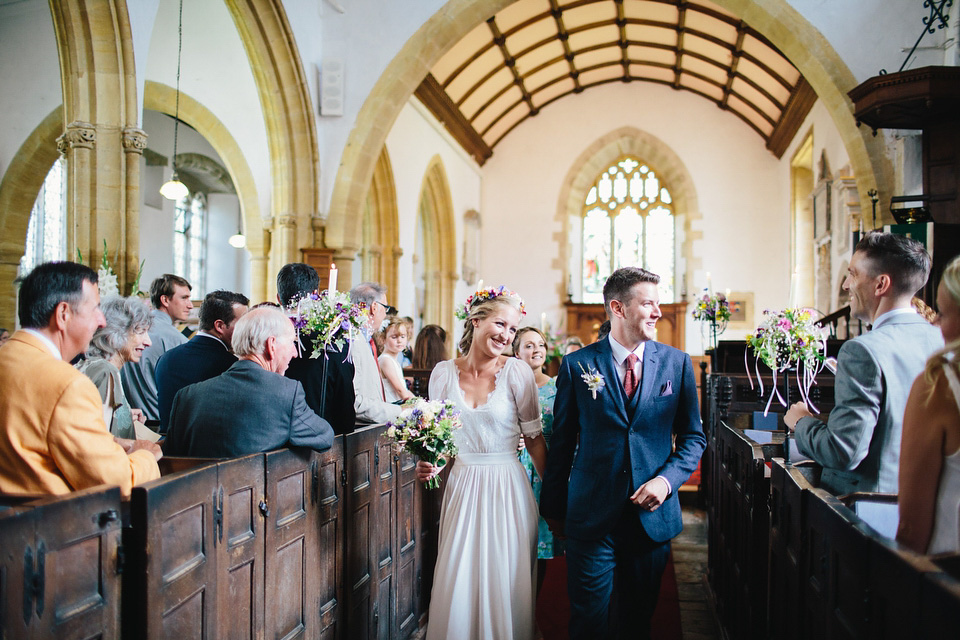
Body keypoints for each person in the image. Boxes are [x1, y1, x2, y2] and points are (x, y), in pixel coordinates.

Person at [540, 266, 705, 640]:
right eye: (648, 304)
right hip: (591, 515)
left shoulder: (676, 363)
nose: (658, 312)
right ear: (618, 307)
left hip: (651, 519)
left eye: (657, 304)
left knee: (636, 621)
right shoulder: (578, 365)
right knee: (588, 622)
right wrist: (553, 509)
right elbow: (562, 443)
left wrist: (666, 482)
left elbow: (694, 438)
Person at [416, 287, 547, 640]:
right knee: (459, 573)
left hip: (507, 486)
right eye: (499, 324)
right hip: (462, 487)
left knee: (504, 577)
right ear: (476, 322)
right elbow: (443, 443)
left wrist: (555, 498)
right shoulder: (442, 374)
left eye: (512, 329)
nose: (506, 335)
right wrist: (434, 465)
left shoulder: (517, 373)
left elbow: (534, 441)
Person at [785, 232, 944, 494]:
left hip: (869, 510)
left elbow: (844, 452)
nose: (847, 285)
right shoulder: (943, 342)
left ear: (881, 284)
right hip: (927, 503)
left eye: (853, 274)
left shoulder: (863, 351)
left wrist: (802, 422)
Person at [0, 261, 161, 496]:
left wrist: (109, 442)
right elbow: (115, 483)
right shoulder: (68, 384)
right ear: (63, 314)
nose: (102, 321)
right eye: (95, 308)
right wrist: (147, 455)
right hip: (54, 525)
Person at [163, 307, 335, 457]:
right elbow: (324, 437)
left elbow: (173, 455)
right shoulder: (285, 392)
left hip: (196, 493)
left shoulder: (187, 396)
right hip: (254, 493)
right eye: (292, 343)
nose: (295, 352)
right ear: (271, 345)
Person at [898, 254, 960, 554]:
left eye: (944, 314)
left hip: (947, 578)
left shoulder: (939, 386)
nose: (935, 323)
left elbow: (913, 525)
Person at [155, 289, 249, 433]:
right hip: (211, 453)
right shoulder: (233, 366)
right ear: (219, 326)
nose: (247, 330)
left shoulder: (166, 358)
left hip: (167, 449)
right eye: (243, 324)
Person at [278, 263, 357, 433]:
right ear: (315, 295)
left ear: (278, 298)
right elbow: (344, 406)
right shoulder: (333, 340)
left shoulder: (264, 337)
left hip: (272, 438)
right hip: (321, 438)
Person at [513, 326, 562, 598]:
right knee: (514, 546)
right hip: (515, 468)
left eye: (540, 345)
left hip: (545, 468)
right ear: (516, 352)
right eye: (529, 346)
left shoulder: (557, 387)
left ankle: (532, 610)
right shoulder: (507, 385)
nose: (537, 350)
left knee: (539, 547)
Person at [77, 295, 154, 440]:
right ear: (116, 331)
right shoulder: (106, 371)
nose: (148, 342)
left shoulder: (93, 365)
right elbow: (96, 439)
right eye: (141, 331)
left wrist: (124, 417)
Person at [121, 274, 193, 421]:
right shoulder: (177, 340)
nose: (190, 305)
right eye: (184, 298)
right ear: (165, 300)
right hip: (160, 423)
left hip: (130, 419)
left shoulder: (130, 329)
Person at [349, 282, 402, 424]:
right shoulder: (353, 342)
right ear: (374, 307)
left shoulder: (366, 340)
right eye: (385, 308)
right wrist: (400, 411)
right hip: (360, 431)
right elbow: (355, 401)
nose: (386, 314)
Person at [379, 316, 414, 403]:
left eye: (403, 337)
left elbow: (404, 390)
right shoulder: (385, 360)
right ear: (383, 339)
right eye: (394, 337)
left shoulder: (393, 360)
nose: (399, 341)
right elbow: (400, 390)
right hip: (393, 407)